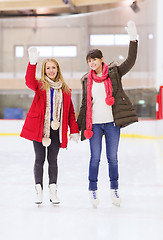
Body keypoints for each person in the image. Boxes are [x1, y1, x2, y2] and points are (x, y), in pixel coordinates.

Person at [77, 21, 138, 207]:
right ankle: (93, 190)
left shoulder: (114, 73)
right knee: (95, 158)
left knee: (113, 158)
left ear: (101, 59)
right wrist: (76, 127)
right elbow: (84, 105)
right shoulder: (86, 80)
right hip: (93, 125)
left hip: (112, 123)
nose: (92, 62)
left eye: (94, 59)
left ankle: (114, 189)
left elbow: (131, 61)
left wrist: (133, 40)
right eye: (89, 60)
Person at [20, 48, 79, 205]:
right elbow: (28, 80)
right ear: (44, 71)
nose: (51, 70)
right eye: (48, 68)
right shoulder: (40, 86)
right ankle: (39, 191)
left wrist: (74, 130)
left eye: (54, 67)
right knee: (39, 159)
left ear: (57, 69)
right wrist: (32, 63)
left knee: (53, 160)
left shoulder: (65, 90)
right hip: (40, 130)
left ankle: (53, 191)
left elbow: (71, 113)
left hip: (56, 131)